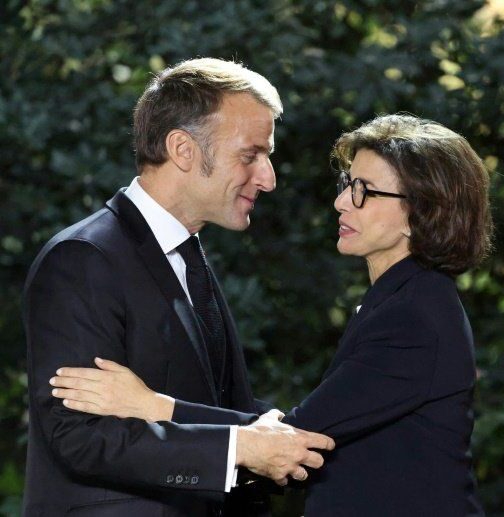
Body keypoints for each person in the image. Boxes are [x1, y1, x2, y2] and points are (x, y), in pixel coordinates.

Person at [51, 114, 491, 515]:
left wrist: (150, 405)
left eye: (364, 191)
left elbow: (299, 438)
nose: (341, 202)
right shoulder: (402, 300)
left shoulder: (414, 317)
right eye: (346, 184)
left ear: (421, 212)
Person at [22, 58, 334, 517]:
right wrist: (237, 447)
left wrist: (253, 436)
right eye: (250, 155)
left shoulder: (188, 257)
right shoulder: (83, 259)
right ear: (183, 149)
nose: (268, 178)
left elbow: (219, 406)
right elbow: (79, 436)